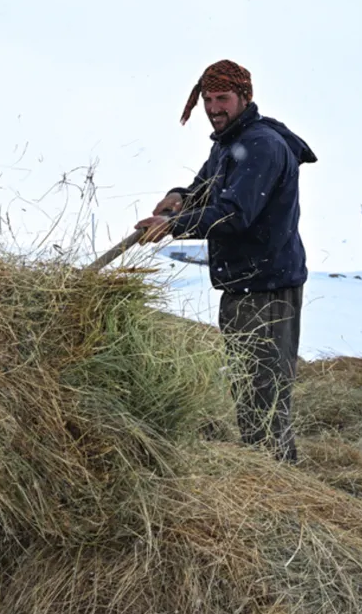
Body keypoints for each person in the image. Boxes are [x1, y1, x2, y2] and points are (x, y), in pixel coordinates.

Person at [134, 59, 316, 463]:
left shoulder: (262, 145)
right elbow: (204, 192)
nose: (214, 108)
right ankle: (267, 471)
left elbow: (234, 213)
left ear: (245, 97)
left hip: (267, 287)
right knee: (248, 388)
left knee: (264, 396)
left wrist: (174, 226)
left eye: (223, 98)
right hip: (244, 285)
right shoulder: (230, 142)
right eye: (207, 99)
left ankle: (278, 482)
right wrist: (179, 197)